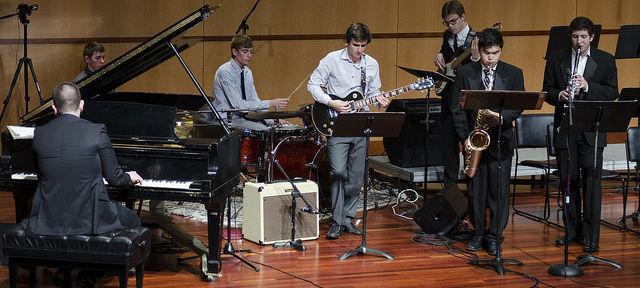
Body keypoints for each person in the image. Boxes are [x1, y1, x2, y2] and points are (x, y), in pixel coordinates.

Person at [26, 82, 143, 235]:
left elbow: (41, 175)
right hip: (90, 218)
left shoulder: (39, 134)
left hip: (47, 220)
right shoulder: (97, 131)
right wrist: (129, 176)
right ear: (81, 105)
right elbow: (115, 178)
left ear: (53, 108)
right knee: (133, 219)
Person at [308, 23, 389, 239]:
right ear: (347, 42)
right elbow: (313, 84)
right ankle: (336, 220)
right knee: (337, 172)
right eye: (356, 45)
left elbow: (374, 93)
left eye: (363, 45)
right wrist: (331, 102)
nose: (360, 50)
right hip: (338, 123)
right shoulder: (332, 59)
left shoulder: (371, 64)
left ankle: (347, 218)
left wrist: (381, 101)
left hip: (361, 122)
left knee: (356, 175)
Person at [543, 16, 618, 253]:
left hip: (592, 131)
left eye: (584, 37)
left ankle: (591, 237)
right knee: (568, 182)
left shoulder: (605, 60)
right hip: (566, 128)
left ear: (592, 37)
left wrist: (587, 86)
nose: (579, 41)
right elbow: (547, 90)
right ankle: (572, 231)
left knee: (591, 183)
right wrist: (559, 95)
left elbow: (612, 92)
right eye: (575, 37)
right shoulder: (556, 59)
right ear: (570, 37)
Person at [449, 29, 524, 255]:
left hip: (501, 139)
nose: (490, 58)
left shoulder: (513, 73)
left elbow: (518, 104)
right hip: (475, 139)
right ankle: (478, 232)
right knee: (476, 191)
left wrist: (502, 117)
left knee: (498, 191)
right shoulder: (465, 72)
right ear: (478, 50)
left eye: (495, 53)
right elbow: (456, 107)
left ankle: (494, 235)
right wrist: (465, 138)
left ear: (501, 50)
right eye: (486, 53)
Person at [434, 0, 480, 189]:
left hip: (466, 101)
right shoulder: (447, 35)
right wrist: (439, 55)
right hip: (448, 98)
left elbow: (483, 71)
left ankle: (473, 192)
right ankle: (449, 192)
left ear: (463, 17)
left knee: (469, 146)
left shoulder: (476, 38)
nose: (450, 26)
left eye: (453, 22)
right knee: (448, 148)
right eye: (446, 23)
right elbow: (447, 58)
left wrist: (476, 59)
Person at [206, 35, 288, 131]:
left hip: (244, 118)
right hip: (227, 119)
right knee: (264, 130)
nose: (249, 55)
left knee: (278, 127)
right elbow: (238, 106)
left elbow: (254, 100)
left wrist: (271, 120)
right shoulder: (225, 71)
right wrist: (270, 103)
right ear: (234, 52)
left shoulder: (247, 72)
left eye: (251, 52)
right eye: (245, 52)